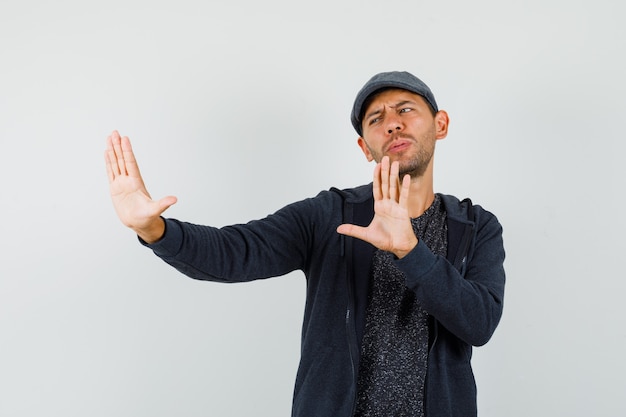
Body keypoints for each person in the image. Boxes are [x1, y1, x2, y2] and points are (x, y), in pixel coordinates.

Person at [104, 71, 506, 417]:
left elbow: (479, 322)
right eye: (376, 119)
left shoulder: (476, 226)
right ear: (365, 147)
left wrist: (410, 250)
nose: (393, 124)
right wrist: (155, 229)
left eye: (405, 110)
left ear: (441, 124)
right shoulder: (328, 215)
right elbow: (235, 251)